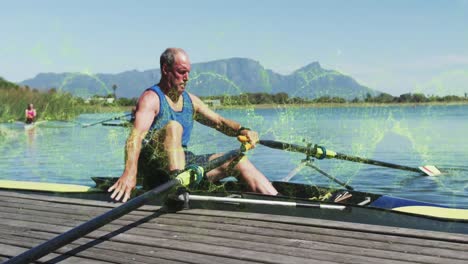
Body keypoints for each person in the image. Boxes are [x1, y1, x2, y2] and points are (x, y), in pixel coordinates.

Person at [109, 48, 278, 202]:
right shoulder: (151, 99)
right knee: (174, 126)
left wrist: (243, 130)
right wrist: (129, 173)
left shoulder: (191, 101)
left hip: (183, 161)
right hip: (156, 171)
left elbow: (219, 123)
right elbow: (135, 138)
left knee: (238, 161)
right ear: (166, 70)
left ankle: (276, 201)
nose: (187, 77)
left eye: (188, 72)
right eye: (181, 72)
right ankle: (178, 188)